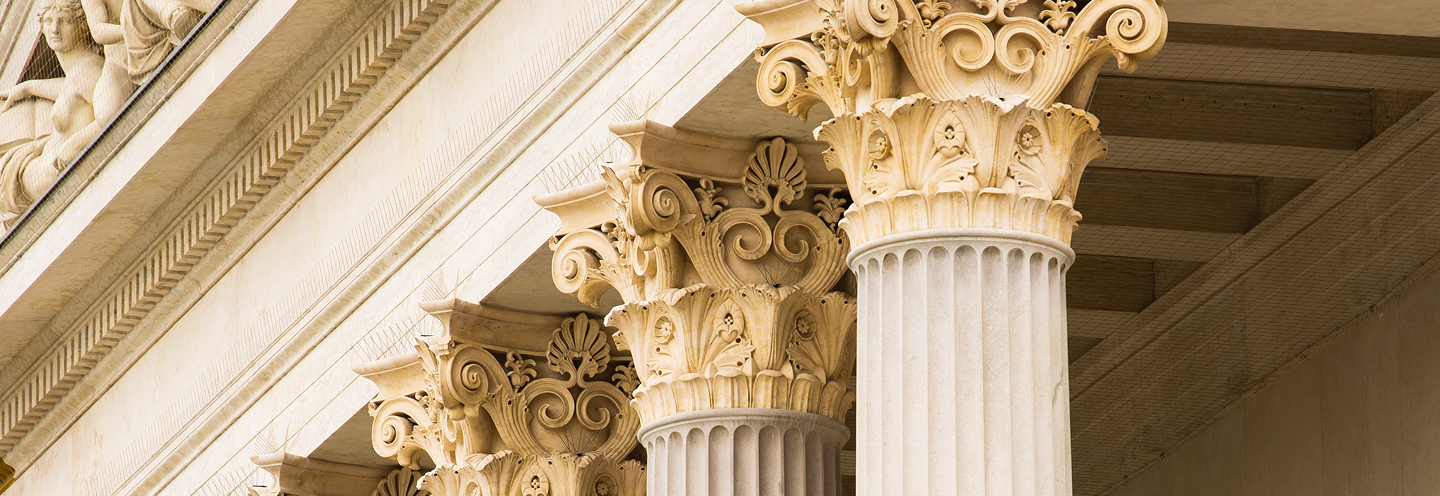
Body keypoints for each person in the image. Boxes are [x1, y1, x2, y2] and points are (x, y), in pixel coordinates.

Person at [0, 0, 105, 226]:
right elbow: (70, 88)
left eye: (64, 21)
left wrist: (72, 146)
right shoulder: (77, 74)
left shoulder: (91, 69)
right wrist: (27, 87)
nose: (54, 29)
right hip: (31, 179)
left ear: (82, 25)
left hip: (39, 186)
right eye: (48, 21)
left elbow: (111, 117)